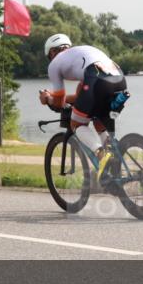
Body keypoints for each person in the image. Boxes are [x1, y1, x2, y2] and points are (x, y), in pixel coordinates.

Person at [38, 34, 127, 179]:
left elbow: (60, 103)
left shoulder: (54, 64)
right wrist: (55, 98)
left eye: (50, 55)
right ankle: (114, 164)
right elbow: (81, 97)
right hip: (120, 80)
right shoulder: (82, 54)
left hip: (96, 82)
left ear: (52, 53)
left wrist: (48, 99)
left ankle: (101, 154)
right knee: (97, 115)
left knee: (76, 123)